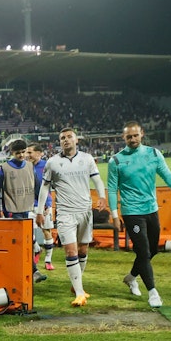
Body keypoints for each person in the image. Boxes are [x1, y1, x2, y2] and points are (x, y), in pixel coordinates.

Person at [107, 121, 171, 308]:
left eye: (135, 135)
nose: (132, 139)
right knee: (144, 252)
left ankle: (131, 278)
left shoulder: (153, 154)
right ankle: (153, 293)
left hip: (151, 209)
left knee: (152, 251)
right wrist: (115, 215)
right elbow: (112, 190)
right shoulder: (116, 160)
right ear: (123, 138)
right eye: (128, 136)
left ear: (142, 134)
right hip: (132, 212)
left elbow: (167, 174)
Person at [36, 128, 107, 307]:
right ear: (59, 142)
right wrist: (39, 210)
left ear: (76, 140)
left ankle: (76, 286)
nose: (66, 140)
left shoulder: (87, 159)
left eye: (69, 137)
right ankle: (80, 292)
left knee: (83, 250)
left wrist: (102, 196)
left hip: (85, 211)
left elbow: (97, 180)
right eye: (62, 138)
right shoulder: (52, 162)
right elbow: (45, 187)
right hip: (65, 212)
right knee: (71, 251)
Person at [0, 139, 46, 283]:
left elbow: (37, 188)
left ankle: (26, 271)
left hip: (28, 210)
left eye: (23, 152)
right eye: (18, 153)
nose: (21, 155)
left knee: (27, 242)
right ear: (12, 153)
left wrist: (42, 206)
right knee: (21, 243)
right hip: (12, 211)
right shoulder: (4, 168)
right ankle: (33, 271)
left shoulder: (30, 166)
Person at [26, 143, 56, 271]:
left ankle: (48, 260)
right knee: (28, 232)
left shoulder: (46, 166)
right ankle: (37, 249)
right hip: (27, 204)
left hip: (43, 204)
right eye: (27, 152)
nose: (27, 155)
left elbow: (52, 186)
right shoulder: (25, 166)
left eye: (30, 152)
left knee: (46, 231)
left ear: (39, 153)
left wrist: (48, 204)